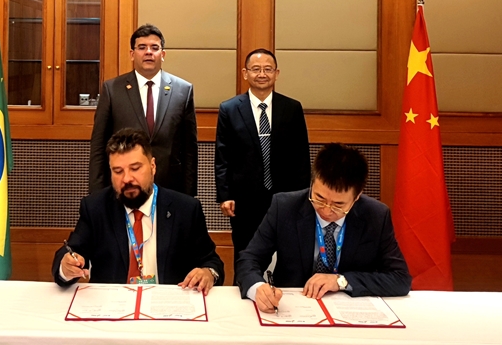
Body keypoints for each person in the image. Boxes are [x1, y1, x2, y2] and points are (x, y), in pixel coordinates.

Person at [236, 143, 412, 312]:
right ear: (312, 183)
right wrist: (257, 288)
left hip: (350, 311)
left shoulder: (376, 216)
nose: (326, 210)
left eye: (338, 205)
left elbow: (400, 279)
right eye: (319, 198)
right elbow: (249, 259)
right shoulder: (284, 207)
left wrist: (341, 281)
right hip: (292, 307)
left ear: (357, 196)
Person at [53, 128, 223, 292]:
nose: (127, 179)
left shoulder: (185, 209)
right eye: (118, 171)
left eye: (135, 168)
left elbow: (212, 262)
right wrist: (66, 267)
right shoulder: (95, 208)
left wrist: (208, 273)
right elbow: (70, 253)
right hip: (112, 305)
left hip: (166, 304)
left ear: (153, 166)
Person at [214, 48, 310, 268]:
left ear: (277, 73)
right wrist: (224, 195)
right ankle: (246, 286)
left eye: (268, 69)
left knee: (287, 254)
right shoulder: (229, 109)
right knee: (246, 253)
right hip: (244, 199)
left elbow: (301, 157)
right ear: (245, 73)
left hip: (285, 197)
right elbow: (222, 157)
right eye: (256, 69)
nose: (262, 74)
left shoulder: (292, 108)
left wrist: (303, 196)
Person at [90, 24, 198, 196]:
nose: (148, 52)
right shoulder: (112, 90)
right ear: (132, 54)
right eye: (142, 47)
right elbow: (98, 146)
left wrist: (189, 196)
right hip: (125, 186)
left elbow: (189, 150)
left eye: (154, 48)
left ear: (163, 54)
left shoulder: (183, 90)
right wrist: (97, 194)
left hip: (170, 187)